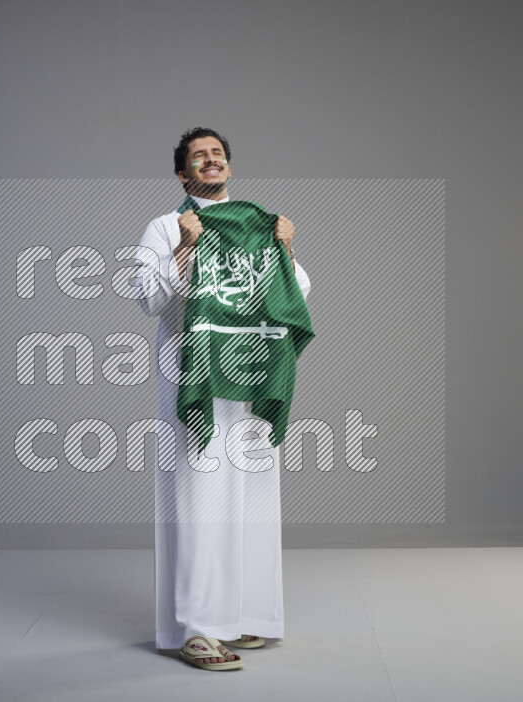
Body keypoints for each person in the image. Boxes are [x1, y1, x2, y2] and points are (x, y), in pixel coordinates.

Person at [133, 127, 312, 670]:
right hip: (195, 377)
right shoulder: (166, 226)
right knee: (200, 497)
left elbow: (297, 294)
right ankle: (198, 629)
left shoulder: (261, 226)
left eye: (217, 154)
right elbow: (147, 297)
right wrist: (185, 247)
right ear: (182, 174)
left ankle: (245, 617)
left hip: (251, 372)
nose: (210, 160)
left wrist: (285, 248)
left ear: (228, 168)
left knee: (254, 498)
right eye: (198, 156)